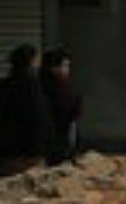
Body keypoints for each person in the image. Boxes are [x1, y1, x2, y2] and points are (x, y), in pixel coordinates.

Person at [0, 44, 51, 176]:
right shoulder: (32, 86)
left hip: (7, 151)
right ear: (31, 62)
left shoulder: (5, 85)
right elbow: (39, 119)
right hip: (29, 154)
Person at [39, 48, 81, 165]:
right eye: (65, 66)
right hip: (57, 146)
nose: (68, 70)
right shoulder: (60, 89)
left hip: (42, 148)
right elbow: (71, 116)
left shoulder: (37, 85)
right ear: (54, 68)